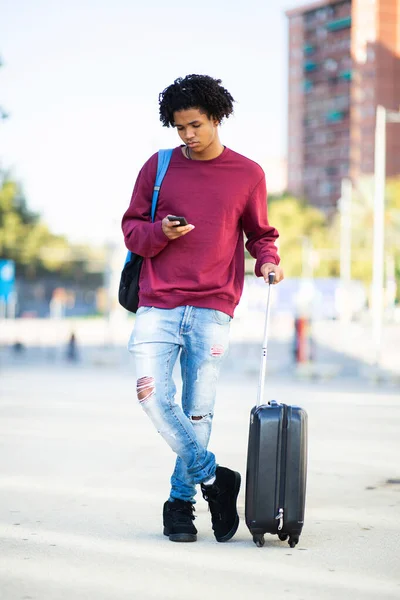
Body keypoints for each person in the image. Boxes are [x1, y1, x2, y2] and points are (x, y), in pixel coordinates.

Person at [121, 74, 284, 544]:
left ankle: (180, 503)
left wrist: (268, 263)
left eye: (195, 125)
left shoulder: (248, 174)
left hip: (213, 306)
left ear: (216, 117)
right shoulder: (160, 166)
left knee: (198, 411)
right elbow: (132, 228)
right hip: (158, 302)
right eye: (179, 127)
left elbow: (260, 234)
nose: (188, 135)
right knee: (152, 395)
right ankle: (216, 479)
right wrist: (160, 234)